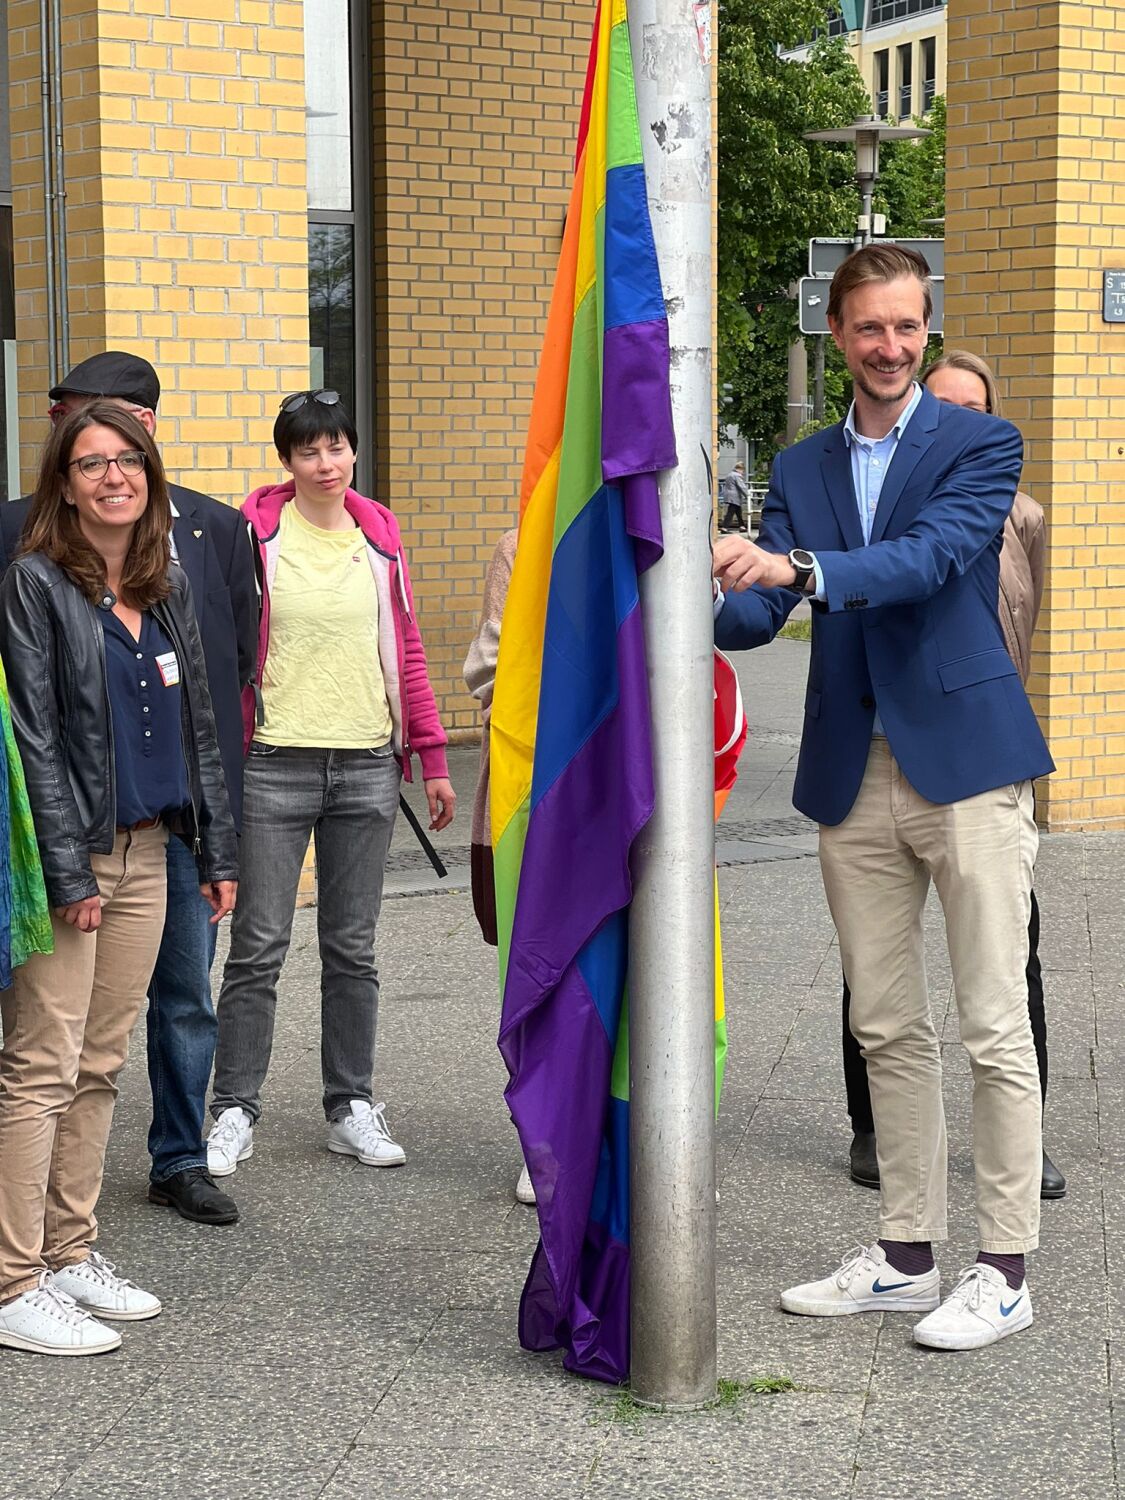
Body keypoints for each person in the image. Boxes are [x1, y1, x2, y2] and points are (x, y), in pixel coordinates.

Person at [712, 244, 1054, 1351]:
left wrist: (801, 573)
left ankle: (1002, 1269)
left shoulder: (979, 442)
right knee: (885, 1025)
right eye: (870, 329)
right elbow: (757, 614)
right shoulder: (802, 465)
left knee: (995, 1023)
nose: (892, 348)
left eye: (909, 327)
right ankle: (909, 1255)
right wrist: (670, 592)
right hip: (850, 769)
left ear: (926, 324)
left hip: (965, 760)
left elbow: (931, 558)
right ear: (837, 331)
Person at [0, 403, 238, 1356]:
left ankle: (68, 1251)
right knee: (40, 1065)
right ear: (63, 482)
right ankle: (13, 1278)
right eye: (90, 463)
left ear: (150, 474)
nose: (112, 477)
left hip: (156, 852)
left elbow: (203, 734)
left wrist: (215, 851)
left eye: (127, 460)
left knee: (99, 1063)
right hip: (80, 857)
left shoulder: (165, 582)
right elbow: (37, 741)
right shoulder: (34, 585)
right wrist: (67, 869)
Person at [207, 390, 455, 1176]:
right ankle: (233, 1109)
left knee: (352, 948)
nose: (326, 463)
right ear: (287, 461)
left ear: (352, 451)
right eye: (308, 451)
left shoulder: (377, 533)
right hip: (273, 763)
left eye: (337, 448)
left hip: (365, 765)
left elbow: (406, 648)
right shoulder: (255, 533)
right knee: (257, 947)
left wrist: (433, 756)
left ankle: (349, 1105)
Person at [842, 349, 1065, 1201]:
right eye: (943, 408)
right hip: (883, 752)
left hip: (979, 757)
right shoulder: (876, 512)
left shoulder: (1022, 517)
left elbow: (1020, 628)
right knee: (875, 971)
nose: (956, 425)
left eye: (974, 410)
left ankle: (1023, 1140)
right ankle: (872, 1128)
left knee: (1011, 965)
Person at [463, 528, 535, 1205]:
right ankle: (544, 1138)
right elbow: (487, 665)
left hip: (638, 794)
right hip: (536, 790)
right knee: (537, 972)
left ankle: (643, 1138)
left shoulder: (667, 528)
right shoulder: (524, 541)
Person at [720, 462, 749, 533]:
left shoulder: (729, 475)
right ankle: (724, 527)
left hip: (729, 495)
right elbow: (741, 486)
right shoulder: (737, 476)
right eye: (742, 470)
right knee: (731, 512)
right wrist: (747, 494)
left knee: (738, 511)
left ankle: (742, 526)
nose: (742, 472)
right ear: (739, 469)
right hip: (735, 496)